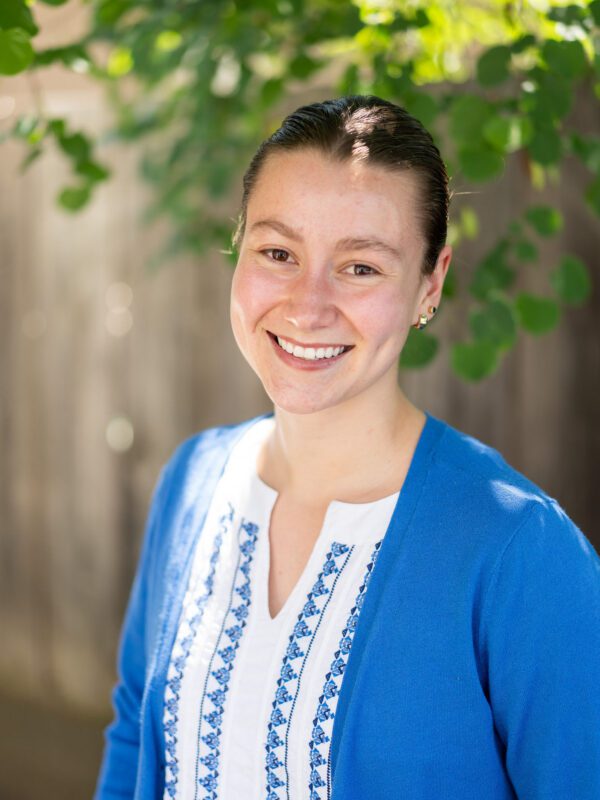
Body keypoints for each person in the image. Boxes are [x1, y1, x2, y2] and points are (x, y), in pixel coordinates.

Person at [95, 96, 600, 800]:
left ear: (431, 281)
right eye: (278, 253)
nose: (308, 305)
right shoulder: (193, 480)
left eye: (361, 267)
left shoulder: (519, 549)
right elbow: (132, 736)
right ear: (238, 248)